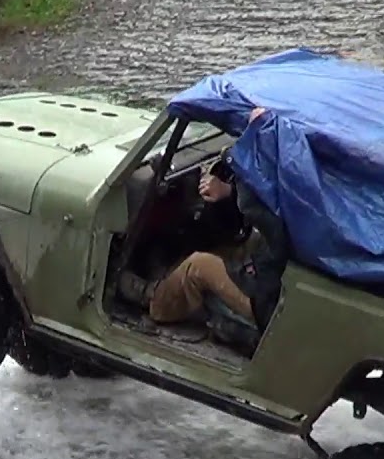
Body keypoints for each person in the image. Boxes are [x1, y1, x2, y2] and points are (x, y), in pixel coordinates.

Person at [118, 107, 290, 344]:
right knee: (236, 244)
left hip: (270, 299)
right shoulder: (298, 178)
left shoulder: (280, 194)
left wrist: (228, 191)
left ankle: (153, 298)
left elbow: (262, 210)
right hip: (280, 275)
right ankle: (173, 281)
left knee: (199, 265)